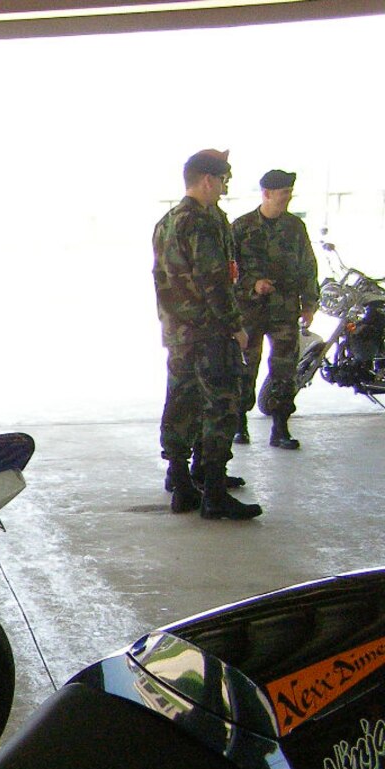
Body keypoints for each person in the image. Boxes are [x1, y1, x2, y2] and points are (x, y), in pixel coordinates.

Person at [152, 148, 262, 520]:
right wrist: (234, 325)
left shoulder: (168, 221)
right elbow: (214, 280)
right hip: (210, 331)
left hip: (179, 332)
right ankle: (213, 490)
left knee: (181, 402)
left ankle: (182, 481)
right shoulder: (201, 222)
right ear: (207, 180)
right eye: (223, 181)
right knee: (221, 406)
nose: (224, 189)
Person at [231, 168, 318, 450]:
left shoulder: (295, 227)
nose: (287, 199)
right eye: (283, 194)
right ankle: (239, 424)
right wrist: (252, 285)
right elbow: (228, 272)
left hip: (284, 310)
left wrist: (310, 303)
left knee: (284, 369)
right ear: (266, 194)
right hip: (250, 311)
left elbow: (308, 266)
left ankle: (280, 427)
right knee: (245, 367)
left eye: (290, 193)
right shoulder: (241, 227)